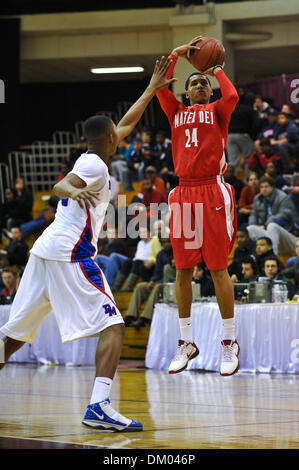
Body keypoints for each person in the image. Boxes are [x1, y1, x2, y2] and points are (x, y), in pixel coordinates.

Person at [0, 56, 176, 432]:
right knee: (113, 324)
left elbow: (128, 121)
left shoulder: (95, 154)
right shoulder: (94, 165)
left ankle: (98, 405)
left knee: (14, 335)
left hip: (45, 251)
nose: (123, 133)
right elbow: (62, 185)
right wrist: (65, 189)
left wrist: (151, 88)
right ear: (110, 139)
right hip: (71, 254)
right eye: (118, 132)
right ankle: (99, 406)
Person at [156, 36, 240, 376]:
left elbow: (232, 95)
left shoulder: (219, 110)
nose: (200, 85)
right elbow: (161, 86)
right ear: (186, 93)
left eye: (204, 82)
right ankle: (186, 341)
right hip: (184, 193)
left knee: (218, 268)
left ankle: (228, 342)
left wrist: (216, 68)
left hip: (212, 191)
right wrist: (176, 55)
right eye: (195, 83)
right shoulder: (175, 111)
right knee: (183, 269)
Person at [124, 237, 173, 329]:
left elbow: (172, 276)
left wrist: (157, 282)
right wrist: (152, 281)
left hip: (171, 285)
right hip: (160, 283)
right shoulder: (160, 254)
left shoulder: (176, 254)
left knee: (157, 286)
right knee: (140, 286)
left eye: (168, 242)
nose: (166, 244)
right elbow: (157, 272)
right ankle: (129, 316)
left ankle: (144, 318)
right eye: (163, 242)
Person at [247, 176, 297, 255]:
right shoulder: (258, 198)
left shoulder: (282, 197)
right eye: (262, 187)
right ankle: (255, 258)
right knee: (250, 229)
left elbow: (286, 214)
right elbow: (253, 214)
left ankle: (272, 257)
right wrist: (254, 224)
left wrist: (265, 225)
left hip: (287, 235)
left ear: (272, 187)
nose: (264, 189)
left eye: (266, 186)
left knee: (272, 226)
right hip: (269, 235)